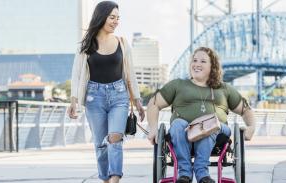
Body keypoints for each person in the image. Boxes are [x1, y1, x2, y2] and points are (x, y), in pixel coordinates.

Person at [146, 47, 256, 183]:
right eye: (194, 60)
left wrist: (251, 127)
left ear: (213, 66)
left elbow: (246, 109)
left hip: (217, 136)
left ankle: (202, 173)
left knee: (210, 124)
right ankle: (185, 174)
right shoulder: (178, 85)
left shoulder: (224, 88)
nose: (197, 64)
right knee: (178, 124)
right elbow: (153, 103)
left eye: (203, 61)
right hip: (183, 135)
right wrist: (152, 128)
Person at [67, 1, 145, 183]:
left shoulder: (123, 43)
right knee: (100, 143)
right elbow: (77, 75)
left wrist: (138, 101)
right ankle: (105, 178)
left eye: (118, 18)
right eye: (112, 17)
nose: (116, 21)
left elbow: (130, 74)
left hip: (119, 96)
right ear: (101, 17)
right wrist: (73, 101)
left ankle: (115, 177)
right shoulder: (85, 45)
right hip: (94, 98)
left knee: (115, 138)